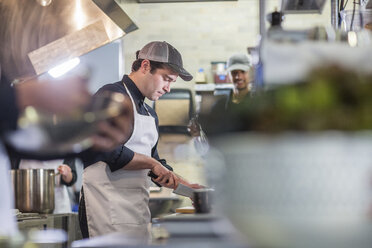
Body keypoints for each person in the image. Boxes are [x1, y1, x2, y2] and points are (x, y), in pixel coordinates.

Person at [79, 41, 202, 240]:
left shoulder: (150, 113)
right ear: (145, 66)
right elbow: (108, 151)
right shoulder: (111, 96)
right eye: (166, 79)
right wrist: (151, 163)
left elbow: (156, 165)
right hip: (104, 209)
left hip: (136, 214)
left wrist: (188, 188)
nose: (168, 88)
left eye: (172, 82)